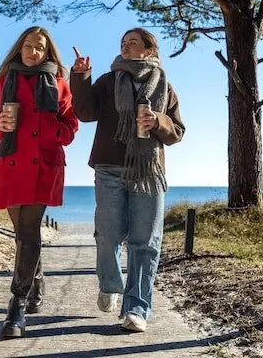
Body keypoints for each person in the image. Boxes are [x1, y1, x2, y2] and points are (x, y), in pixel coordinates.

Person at [70, 28, 185, 332]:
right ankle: (110, 283)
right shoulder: (109, 81)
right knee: (108, 235)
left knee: (145, 242)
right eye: (123, 43)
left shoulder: (165, 86)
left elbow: (177, 132)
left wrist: (158, 121)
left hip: (148, 173)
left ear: (149, 50)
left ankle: (136, 308)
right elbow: (85, 112)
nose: (125, 46)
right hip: (108, 168)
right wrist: (80, 77)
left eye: (133, 42)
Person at [0, 26, 78, 339]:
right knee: (23, 235)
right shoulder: (2, 82)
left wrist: (52, 128)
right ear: (19, 49)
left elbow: (71, 126)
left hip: (44, 166)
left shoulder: (59, 83)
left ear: (48, 52)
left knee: (29, 231)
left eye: (40, 47)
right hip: (10, 165)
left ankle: (17, 304)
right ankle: (36, 280)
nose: (33, 52)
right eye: (28, 46)